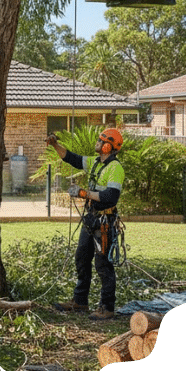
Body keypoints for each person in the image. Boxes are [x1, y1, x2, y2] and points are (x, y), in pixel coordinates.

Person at [46, 128, 125, 321]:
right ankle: (80, 300)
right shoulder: (95, 162)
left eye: (101, 140)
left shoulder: (115, 168)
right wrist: (55, 144)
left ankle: (107, 307)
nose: (97, 142)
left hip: (105, 221)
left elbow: (110, 197)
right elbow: (71, 158)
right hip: (91, 218)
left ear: (109, 146)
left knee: (103, 264)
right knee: (81, 257)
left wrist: (84, 194)